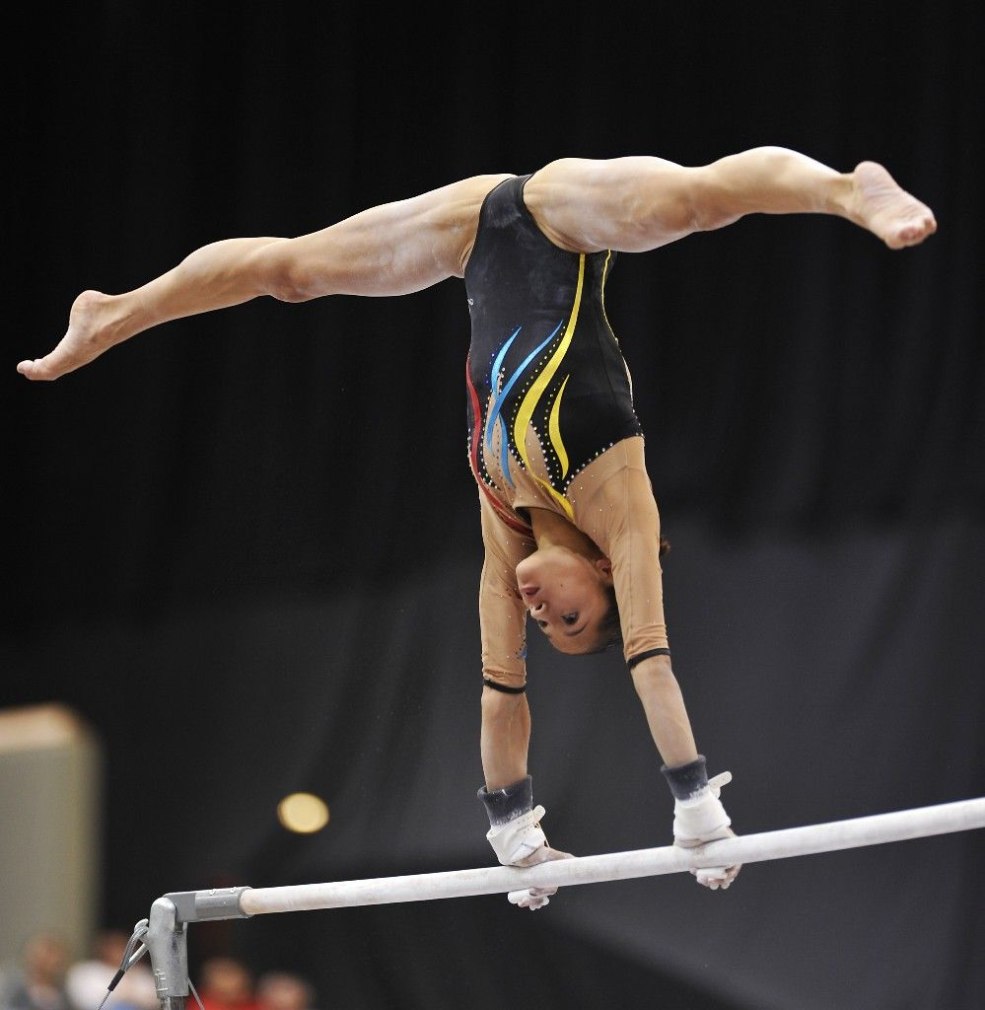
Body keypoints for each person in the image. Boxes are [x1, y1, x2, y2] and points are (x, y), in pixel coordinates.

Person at [17, 147, 937, 908]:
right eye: (570, 620)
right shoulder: (622, 506)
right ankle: (845, 190)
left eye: (548, 630)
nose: (543, 614)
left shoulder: (503, 527)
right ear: (611, 577)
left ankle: (115, 311)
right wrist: (696, 810)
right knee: (696, 203)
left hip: (470, 229)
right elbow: (650, 660)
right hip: (560, 214)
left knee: (289, 274)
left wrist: (515, 833)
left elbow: (503, 696)